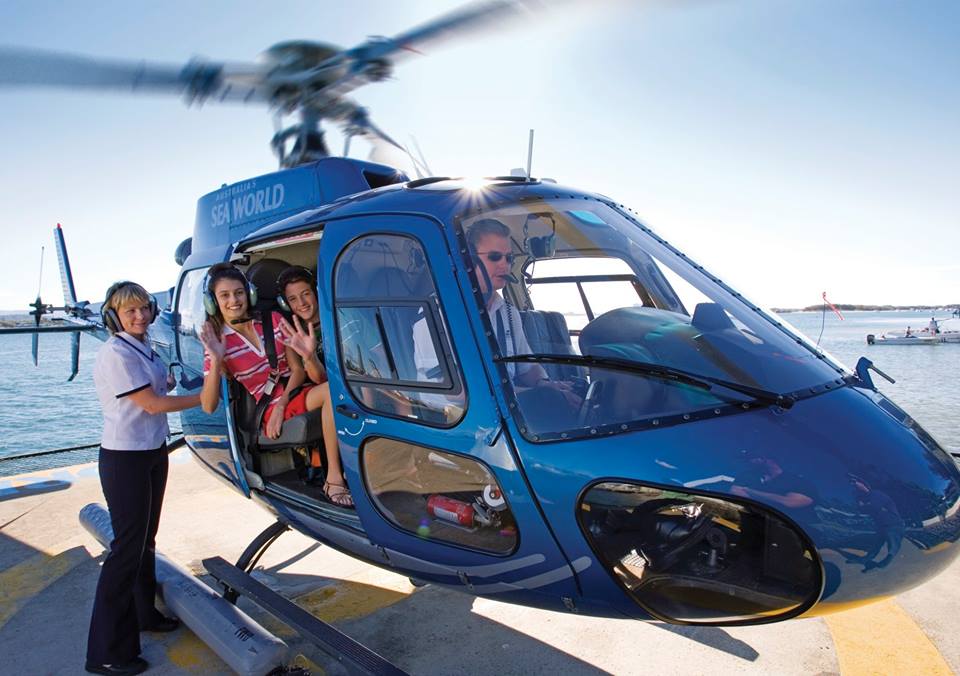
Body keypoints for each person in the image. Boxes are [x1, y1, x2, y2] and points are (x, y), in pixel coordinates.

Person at [86, 281, 201, 676]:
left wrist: (171, 380)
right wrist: (206, 397)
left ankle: (143, 614)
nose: (139, 316)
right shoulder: (116, 353)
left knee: (144, 542)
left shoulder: (144, 346)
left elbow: (160, 385)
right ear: (113, 316)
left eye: (143, 309)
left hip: (151, 452)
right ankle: (105, 653)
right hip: (126, 459)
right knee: (125, 550)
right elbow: (151, 404)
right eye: (129, 311)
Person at [198, 263, 353, 507]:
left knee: (342, 389)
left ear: (249, 294)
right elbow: (208, 406)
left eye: (239, 293)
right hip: (267, 407)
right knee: (333, 393)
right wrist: (217, 359)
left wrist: (283, 403)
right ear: (213, 302)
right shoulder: (217, 342)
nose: (234, 301)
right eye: (224, 295)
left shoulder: (272, 320)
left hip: (292, 393)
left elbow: (297, 370)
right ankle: (334, 479)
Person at [466, 218, 580, 407]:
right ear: (469, 260)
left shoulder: (508, 312)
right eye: (495, 257)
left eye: (509, 258)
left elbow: (526, 368)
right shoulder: (442, 314)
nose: (505, 265)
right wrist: (539, 394)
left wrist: (546, 384)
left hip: (507, 407)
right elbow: (461, 394)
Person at [275, 265, 329, 482]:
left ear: (316, 292)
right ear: (285, 304)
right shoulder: (293, 336)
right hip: (327, 388)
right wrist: (309, 356)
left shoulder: (337, 317)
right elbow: (319, 379)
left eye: (306, 294)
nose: (302, 303)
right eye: (293, 299)